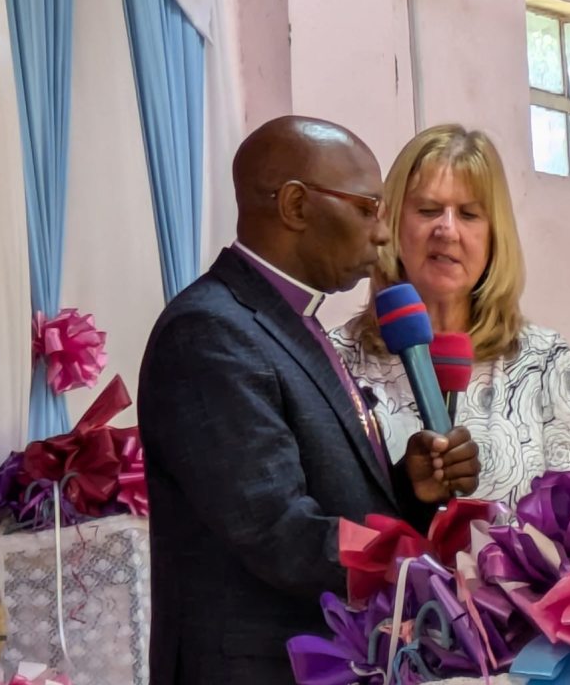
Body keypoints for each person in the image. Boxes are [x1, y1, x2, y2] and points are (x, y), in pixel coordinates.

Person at [137, 116, 481, 685]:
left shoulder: (286, 322)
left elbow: (319, 493)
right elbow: (275, 528)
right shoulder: (210, 331)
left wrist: (407, 490)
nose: (381, 235)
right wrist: (430, 566)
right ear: (295, 206)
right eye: (368, 208)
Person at [330, 124, 570, 507]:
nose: (447, 230)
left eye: (469, 214)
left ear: (494, 236)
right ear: (391, 225)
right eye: (428, 210)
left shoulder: (545, 360)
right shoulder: (337, 358)